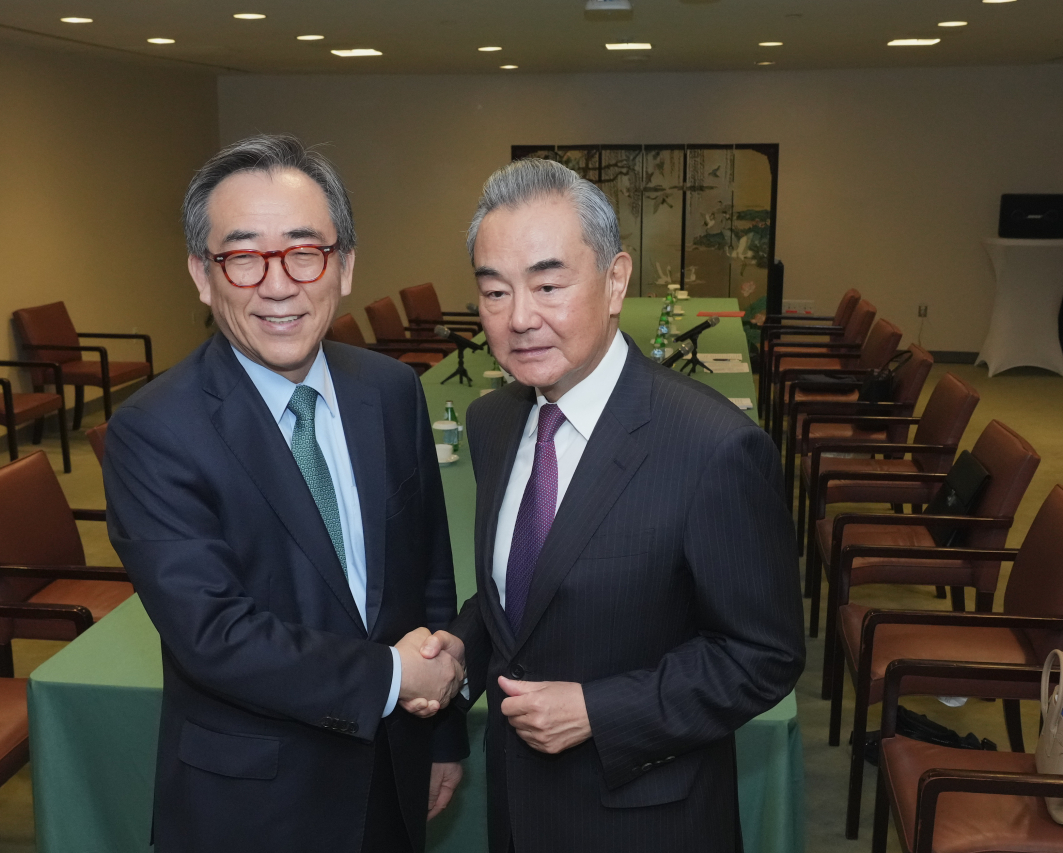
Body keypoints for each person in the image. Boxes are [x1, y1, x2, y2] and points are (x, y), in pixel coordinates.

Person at [417, 158, 805, 852]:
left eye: (548, 283)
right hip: (518, 805)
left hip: (647, 817)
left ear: (616, 279)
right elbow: (521, 600)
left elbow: (764, 655)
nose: (520, 318)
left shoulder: (714, 447)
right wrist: (462, 651)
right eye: (496, 291)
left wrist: (600, 709)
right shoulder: (494, 421)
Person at [103, 134, 467, 853]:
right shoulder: (153, 431)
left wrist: (442, 731)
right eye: (242, 256)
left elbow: (428, 573)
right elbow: (215, 636)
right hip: (254, 808)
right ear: (203, 277)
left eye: (305, 251)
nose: (277, 285)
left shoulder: (391, 391)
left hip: (394, 775)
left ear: (346, 265)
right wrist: (396, 675)